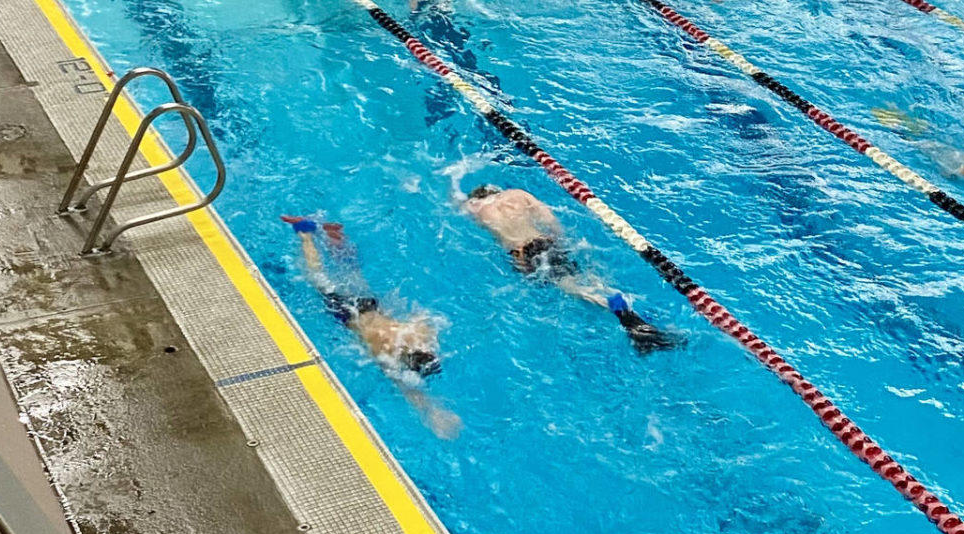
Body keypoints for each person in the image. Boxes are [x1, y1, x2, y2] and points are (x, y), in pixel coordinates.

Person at [283, 215, 459, 436]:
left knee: (353, 273)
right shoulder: (386, 354)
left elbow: (424, 318)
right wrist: (433, 412)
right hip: (348, 314)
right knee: (317, 277)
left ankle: (335, 238)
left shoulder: (420, 335)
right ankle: (305, 234)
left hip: (370, 305)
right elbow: (409, 391)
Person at [461, 184, 677, 352]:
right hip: (545, 242)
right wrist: (560, 243)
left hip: (524, 253)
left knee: (569, 286)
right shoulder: (517, 194)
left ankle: (627, 319)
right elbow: (551, 220)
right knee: (585, 277)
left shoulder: (476, 207)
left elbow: (456, 204)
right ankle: (617, 301)